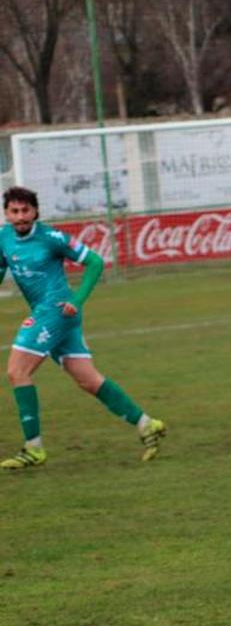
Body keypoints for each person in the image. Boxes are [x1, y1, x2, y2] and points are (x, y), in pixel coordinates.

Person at [0, 187, 166, 469]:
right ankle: (147, 424)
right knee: (88, 380)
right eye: (14, 211)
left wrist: (77, 300)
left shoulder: (52, 238)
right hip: (49, 314)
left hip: (57, 310)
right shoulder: (3, 237)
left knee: (17, 371)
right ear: (6, 213)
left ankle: (34, 448)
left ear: (35, 212)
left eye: (25, 210)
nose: (20, 217)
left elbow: (95, 262)